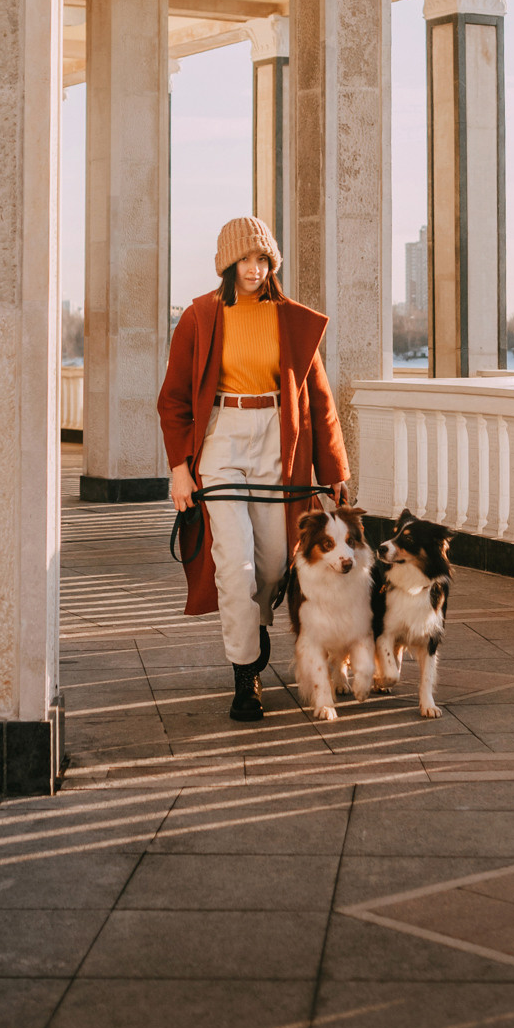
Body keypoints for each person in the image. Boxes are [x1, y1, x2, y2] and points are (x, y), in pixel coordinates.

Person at [157, 216, 350, 722]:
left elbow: (320, 401)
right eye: (245, 259)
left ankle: (256, 622)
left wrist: (335, 472)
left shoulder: (291, 319)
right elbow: (174, 398)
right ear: (227, 263)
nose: (254, 268)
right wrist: (181, 469)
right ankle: (246, 677)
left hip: (276, 440)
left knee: (270, 564)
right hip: (222, 438)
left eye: (263, 259)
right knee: (234, 563)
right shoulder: (200, 316)